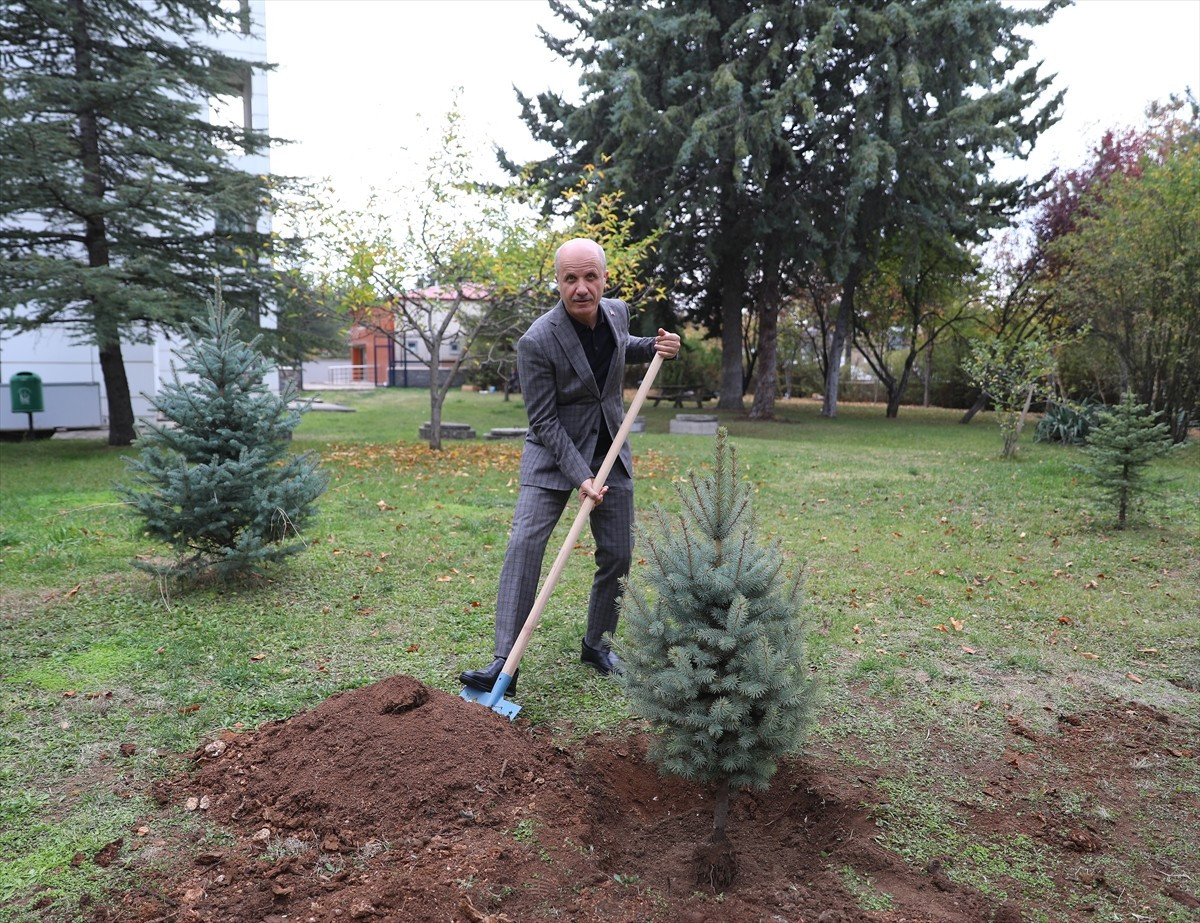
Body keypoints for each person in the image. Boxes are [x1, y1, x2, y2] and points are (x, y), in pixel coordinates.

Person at [459, 237, 681, 696]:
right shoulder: (537, 340)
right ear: (558, 282)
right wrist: (580, 476)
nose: (582, 288)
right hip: (552, 453)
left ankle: (598, 645)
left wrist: (657, 346)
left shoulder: (616, 312)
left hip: (609, 447)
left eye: (590, 277)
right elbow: (543, 420)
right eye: (571, 279)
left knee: (618, 552)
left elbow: (620, 346)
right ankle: (504, 662)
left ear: (604, 278)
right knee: (525, 544)